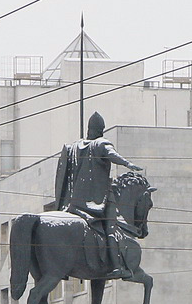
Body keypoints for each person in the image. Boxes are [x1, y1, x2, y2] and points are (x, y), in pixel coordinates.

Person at [54, 111, 143, 276]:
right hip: (97, 200)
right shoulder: (101, 144)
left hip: (73, 202)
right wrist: (127, 163)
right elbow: (111, 154)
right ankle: (116, 266)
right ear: (100, 130)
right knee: (111, 227)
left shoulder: (73, 147)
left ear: (89, 129)